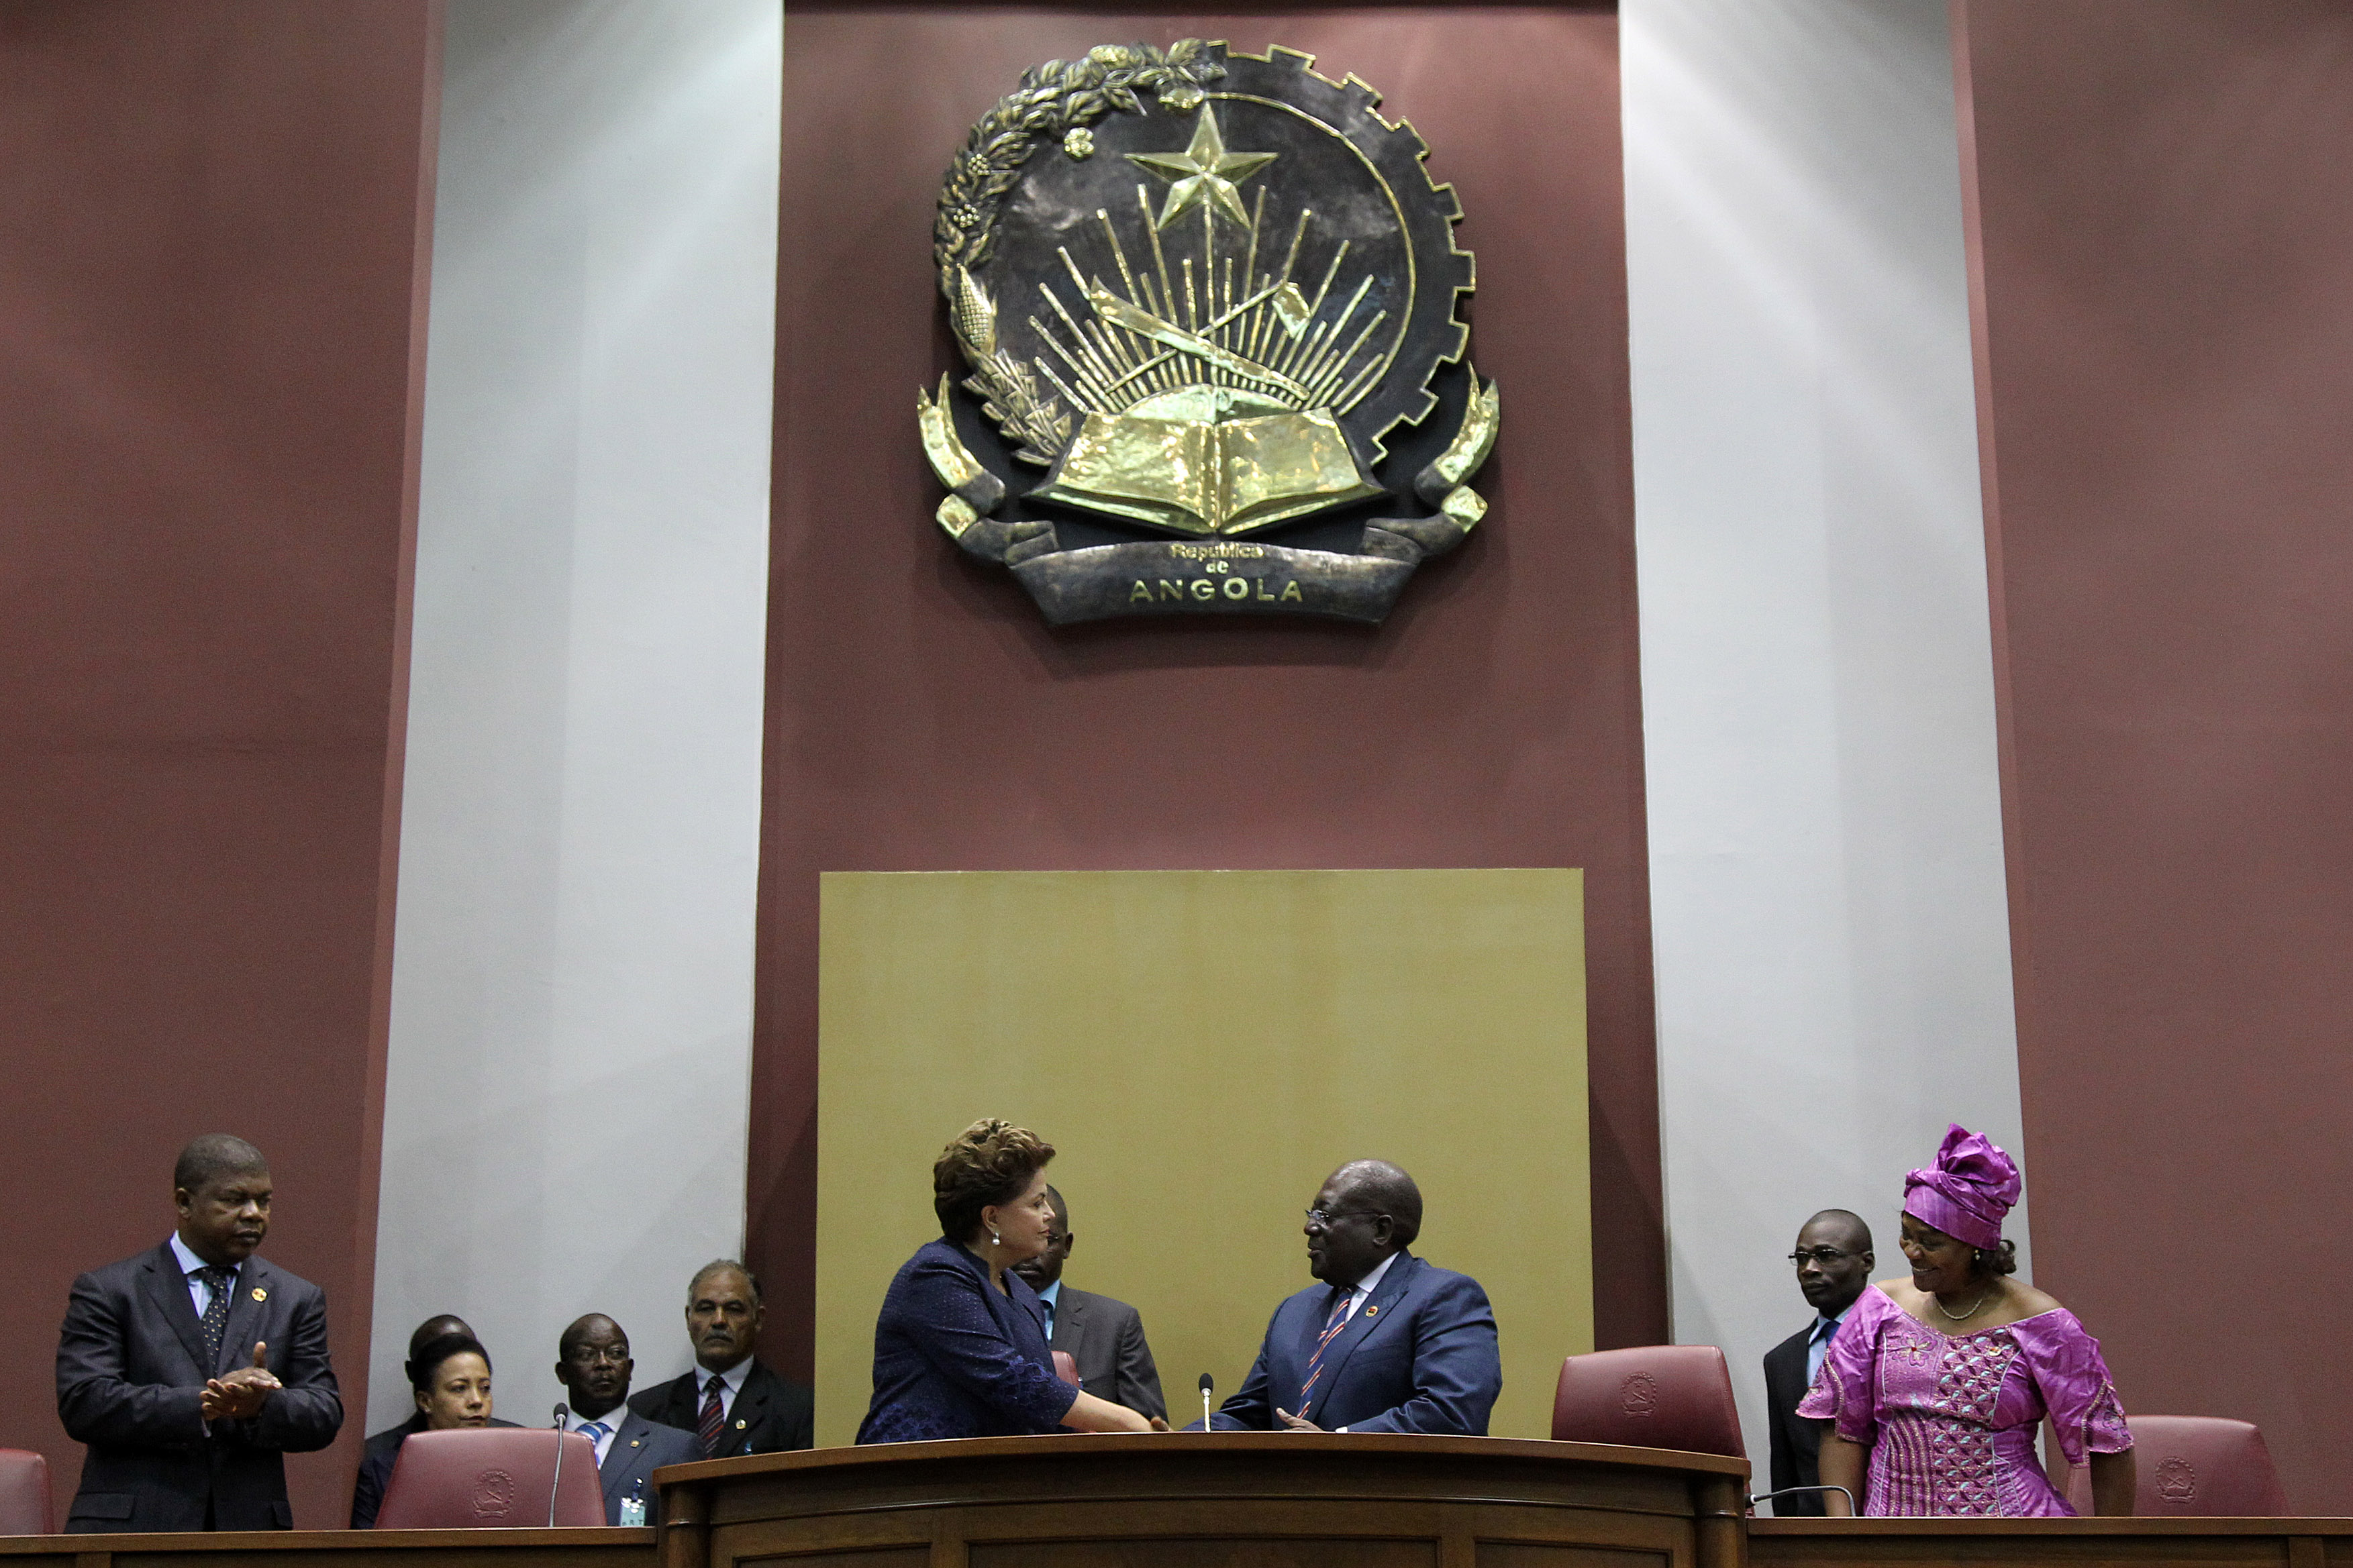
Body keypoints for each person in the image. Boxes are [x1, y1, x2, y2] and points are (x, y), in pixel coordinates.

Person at [1802, 1125, 2136, 1516]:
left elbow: (2106, 1442)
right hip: (1891, 1539)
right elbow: (1843, 1429)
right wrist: (1845, 1539)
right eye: (1906, 1234)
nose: (1912, 1251)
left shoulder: (2043, 1324)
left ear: (1976, 1246)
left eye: (1931, 1242)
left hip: (2014, 1539)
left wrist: (2111, 1551)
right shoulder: (1879, 1308)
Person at [55, 1134, 343, 1531]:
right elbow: (84, 1402)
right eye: (235, 1199)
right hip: (133, 1531)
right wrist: (205, 1404)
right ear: (184, 1202)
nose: (254, 1213)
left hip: (247, 1535)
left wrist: (258, 1408)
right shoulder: (111, 1290)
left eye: (265, 1201)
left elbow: (324, 1411)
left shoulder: (296, 1297)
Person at [858, 1118, 1166, 1443]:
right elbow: (1014, 1382)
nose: (1049, 1214)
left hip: (997, 1480)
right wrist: (1129, 1422)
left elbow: (1038, 1412)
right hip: (913, 1477)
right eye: (1037, 1203)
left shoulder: (1019, 1291)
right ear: (992, 1218)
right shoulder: (935, 1276)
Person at [1206, 1160, 1499, 1434]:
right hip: (1292, 1488)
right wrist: (1177, 1443)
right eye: (1312, 1214)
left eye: (1326, 1216)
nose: (1310, 1227)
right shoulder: (1293, 1311)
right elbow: (1249, 1415)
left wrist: (1338, 1444)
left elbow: (1453, 1412)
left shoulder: (1444, 1298)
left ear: (1381, 1230)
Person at [1010, 1186, 1167, 1420]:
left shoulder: (1115, 1324)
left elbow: (1150, 1431)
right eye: (1020, 1239)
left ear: (1067, 1246)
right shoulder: (973, 1316)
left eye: (1048, 1239)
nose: (1033, 1252)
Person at [628, 1260, 814, 1457]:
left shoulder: (796, 1409)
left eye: (734, 1309)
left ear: (758, 1319)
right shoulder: (646, 1409)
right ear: (689, 1318)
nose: (719, 1321)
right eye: (706, 1308)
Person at [1761, 1210, 1872, 1515]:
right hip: (1814, 1540)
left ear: (1867, 1262)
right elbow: (1785, 1473)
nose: (1809, 1269)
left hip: (1892, 1529)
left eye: (1826, 1256)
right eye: (1801, 1258)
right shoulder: (1782, 1361)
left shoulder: (1901, 1343)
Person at [350, 1332, 518, 1528]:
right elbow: (367, 1554)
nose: (477, 1401)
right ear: (425, 1401)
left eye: (485, 1388)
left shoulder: (516, 1459)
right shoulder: (382, 1471)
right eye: (459, 1389)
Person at [554, 1314, 703, 1525]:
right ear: (563, 1373)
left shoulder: (676, 1450)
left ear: (630, 1369)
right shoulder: (540, 1451)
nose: (604, 1364)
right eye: (588, 1355)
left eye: (616, 1354)